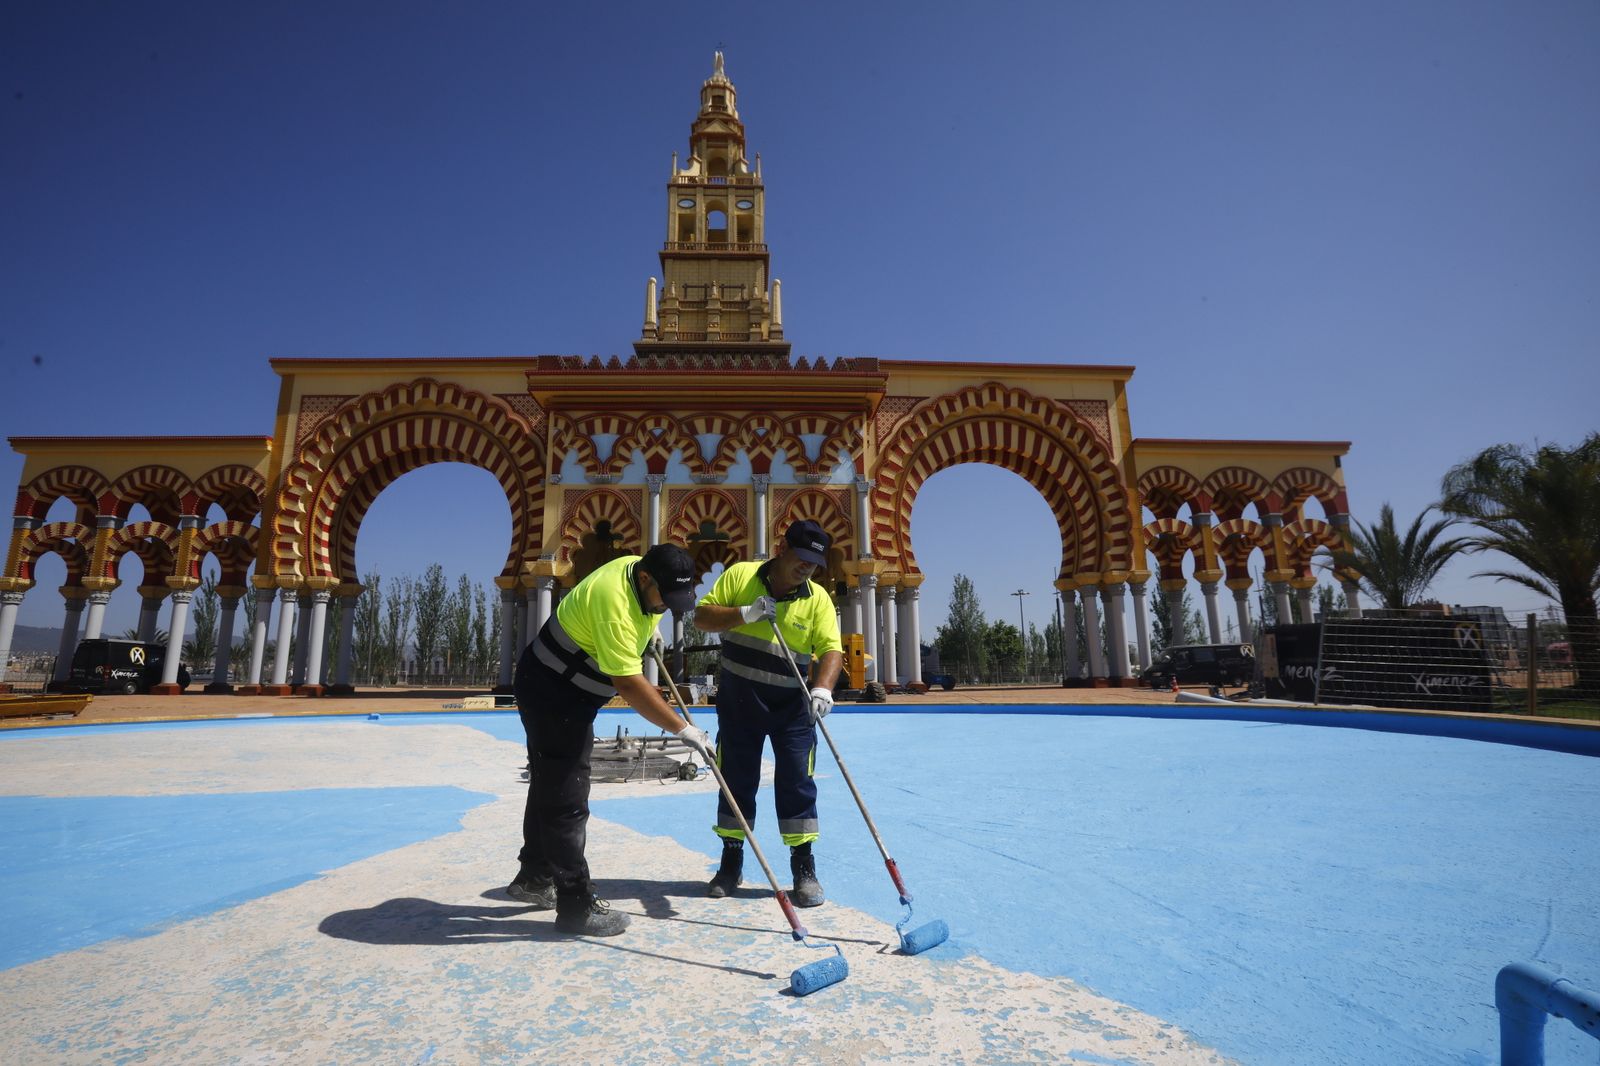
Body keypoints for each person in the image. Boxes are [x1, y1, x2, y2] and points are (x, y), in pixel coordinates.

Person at [507, 543, 711, 936]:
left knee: (550, 780)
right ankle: (575, 904)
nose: (665, 608)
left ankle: (534, 877)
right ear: (646, 578)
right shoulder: (614, 601)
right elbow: (630, 686)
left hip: (564, 687)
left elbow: (644, 612)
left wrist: (646, 634)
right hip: (554, 690)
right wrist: (683, 730)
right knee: (567, 792)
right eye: (663, 599)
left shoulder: (637, 571)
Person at [692, 519, 844, 906]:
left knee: (797, 780)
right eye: (801, 557)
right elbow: (702, 617)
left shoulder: (817, 599)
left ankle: (803, 867)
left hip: (792, 705)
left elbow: (831, 649)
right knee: (736, 778)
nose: (807, 567)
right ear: (782, 547)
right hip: (740, 699)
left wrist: (823, 687)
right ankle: (731, 862)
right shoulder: (740, 576)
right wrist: (745, 613)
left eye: (814, 562)